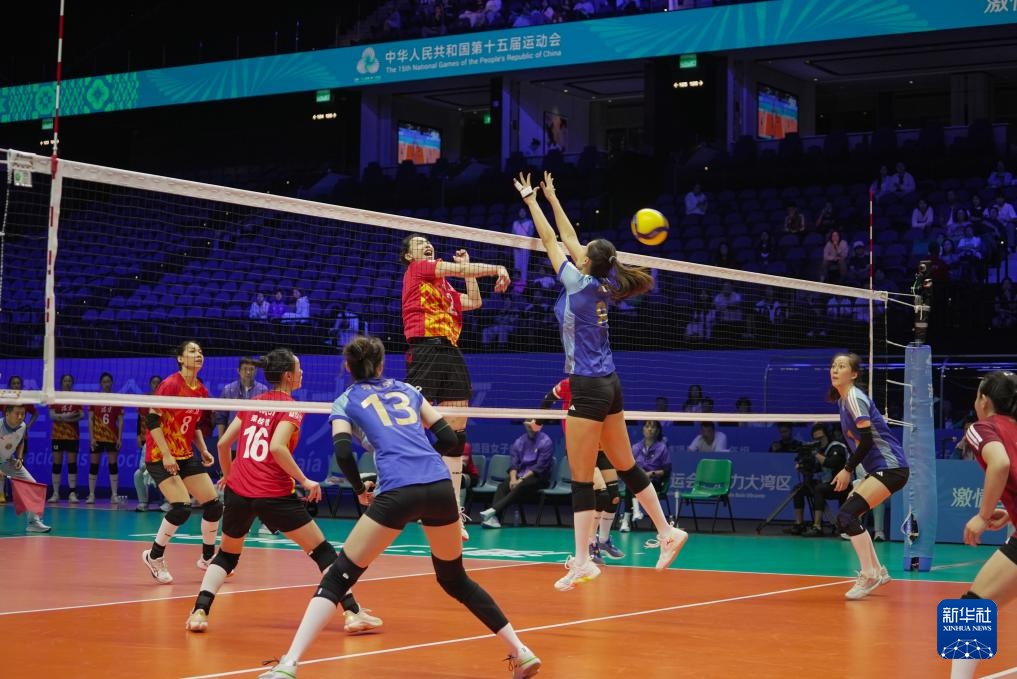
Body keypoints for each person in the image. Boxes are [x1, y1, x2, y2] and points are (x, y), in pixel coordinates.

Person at [258, 336, 540, 679]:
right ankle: (521, 651)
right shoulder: (408, 390)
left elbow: (343, 452)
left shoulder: (345, 400)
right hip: (439, 487)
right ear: (381, 364)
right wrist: (419, 454)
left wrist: (360, 489)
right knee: (455, 579)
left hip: (398, 490)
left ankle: (288, 664)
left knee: (338, 577)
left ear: (348, 367)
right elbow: (449, 439)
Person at [514, 170, 687, 590]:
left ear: (587, 261)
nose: (578, 251)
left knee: (580, 477)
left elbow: (552, 240)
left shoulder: (577, 282)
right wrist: (553, 198)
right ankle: (667, 531)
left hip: (588, 387)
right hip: (610, 383)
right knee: (626, 465)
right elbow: (570, 238)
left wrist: (531, 201)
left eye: (583, 252)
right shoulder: (603, 280)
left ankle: (582, 562)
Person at [186, 348, 381, 635]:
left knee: (226, 555)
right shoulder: (290, 406)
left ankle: (200, 611)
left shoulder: (253, 403)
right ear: (289, 376)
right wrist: (305, 480)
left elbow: (223, 444)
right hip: (273, 493)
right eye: (299, 369)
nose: (302, 373)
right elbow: (277, 447)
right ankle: (352, 613)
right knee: (323, 552)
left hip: (239, 492)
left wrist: (229, 476)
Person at [399, 232, 510, 541]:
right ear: (409, 255)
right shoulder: (418, 270)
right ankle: (397, 487)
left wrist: (469, 269)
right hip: (425, 349)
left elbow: (474, 301)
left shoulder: (445, 287)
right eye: (419, 243)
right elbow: (459, 270)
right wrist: (497, 268)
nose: (426, 244)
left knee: (457, 431)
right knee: (409, 422)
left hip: (451, 351)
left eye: (427, 241)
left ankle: (451, 511)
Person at [950, 371, 1017, 679]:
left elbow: (1000, 463)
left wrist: (983, 514)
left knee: (971, 610)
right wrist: (1010, 513)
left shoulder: (982, 428)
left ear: (984, 400)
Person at [141, 341, 222, 585]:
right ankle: (154, 556)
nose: (198, 355)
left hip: (185, 454)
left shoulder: (201, 390)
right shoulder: (170, 385)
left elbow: (193, 424)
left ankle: (207, 558)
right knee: (182, 508)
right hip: (160, 455)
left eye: (201, 351)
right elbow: (152, 421)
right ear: (180, 358)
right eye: (192, 351)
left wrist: (203, 449)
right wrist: (167, 455)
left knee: (214, 505)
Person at [829, 352, 910, 599]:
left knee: (847, 515)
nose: (835, 370)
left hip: (891, 467)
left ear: (853, 374)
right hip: (881, 469)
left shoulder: (854, 398)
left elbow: (866, 441)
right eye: (833, 365)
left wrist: (847, 469)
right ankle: (878, 571)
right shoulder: (843, 401)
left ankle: (870, 574)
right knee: (850, 514)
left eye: (841, 366)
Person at [539, 377, 626, 560]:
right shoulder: (568, 384)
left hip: (602, 447)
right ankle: (590, 542)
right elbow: (548, 399)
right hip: (580, 447)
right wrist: (538, 421)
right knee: (601, 494)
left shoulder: (603, 385)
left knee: (614, 497)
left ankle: (603, 540)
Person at [479, 419, 554, 529]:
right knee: (502, 486)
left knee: (520, 486)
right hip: (520, 476)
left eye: (532, 426)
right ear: (525, 426)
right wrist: (513, 479)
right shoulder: (519, 441)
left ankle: (493, 510)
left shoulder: (546, 441)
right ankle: (494, 519)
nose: (531, 429)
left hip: (538, 477)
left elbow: (540, 467)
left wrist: (521, 480)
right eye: (528, 426)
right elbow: (514, 464)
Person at [0, 405, 51, 532]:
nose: (20, 417)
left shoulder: (22, 426)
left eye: (23, 414)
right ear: (7, 414)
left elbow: (21, 441)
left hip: (7, 461)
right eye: (17, 413)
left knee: (31, 484)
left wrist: (19, 458)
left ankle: (33, 522)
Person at [620, 420, 671, 533]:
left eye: (653, 427)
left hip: (654, 482)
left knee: (632, 483)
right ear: (643, 429)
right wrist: (639, 472)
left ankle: (627, 519)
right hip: (637, 480)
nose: (650, 429)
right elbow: (629, 466)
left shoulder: (662, 448)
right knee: (631, 482)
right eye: (647, 426)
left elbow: (666, 470)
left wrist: (651, 473)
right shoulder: (636, 447)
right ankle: (635, 511)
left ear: (657, 431)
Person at [86, 372, 124, 504]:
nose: (106, 384)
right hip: (97, 437)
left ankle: (114, 495)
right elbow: (90, 419)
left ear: (111, 383)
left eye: (108, 381)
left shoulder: (116, 399)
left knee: (113, 465)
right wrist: (92, 438)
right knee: (94, 465)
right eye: (104, 382)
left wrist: (119, 438)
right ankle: (91, 495)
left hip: (111, 437)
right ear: (101, 383)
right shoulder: (96, 399)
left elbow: (120, 420)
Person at [1, 376, 38, 505]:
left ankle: (20, 497)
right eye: (13, 383)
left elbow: (35, 413)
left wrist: (28, 425)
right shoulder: (4, 399)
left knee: (24, 473)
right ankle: (1, 493)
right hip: (4, 441)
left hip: (16, 443)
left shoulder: (25, 402)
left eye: (18, 383)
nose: (16, 385)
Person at [49, 373, 84, 502]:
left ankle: (72, 493)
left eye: (69, 381)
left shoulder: (76, 398)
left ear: (72, 383)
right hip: (58, 435)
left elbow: (81, 415)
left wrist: (61, 417)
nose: (67, 383)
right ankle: (55, 493)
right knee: (57, 463)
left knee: (72, 464)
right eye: (65, 380)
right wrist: (69, 416)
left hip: (72, 435)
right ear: (61, 383)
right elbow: (52, 416)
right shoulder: (55, 397)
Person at [134, 375, 162, 511]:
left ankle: (169, 501)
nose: (156, 385)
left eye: (158, 383)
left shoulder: (166, 401)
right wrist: (138, 435)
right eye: (153, 382)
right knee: (139, 473)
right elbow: (140, 419)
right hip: (148, 438)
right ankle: (143, 502)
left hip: (163, 442)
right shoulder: (145, 400)